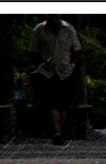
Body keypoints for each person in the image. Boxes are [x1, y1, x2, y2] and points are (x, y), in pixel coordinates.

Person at [31, 15, 83, 145]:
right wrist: (40, 65)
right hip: (48, 72)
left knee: (63, 105)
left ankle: (58, 132)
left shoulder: (68, 29)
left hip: (65, 72)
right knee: (52, 103)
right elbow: (34, 50)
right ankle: (56, 132)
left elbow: (76, 49)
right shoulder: (39, 30)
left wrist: (72, 65)